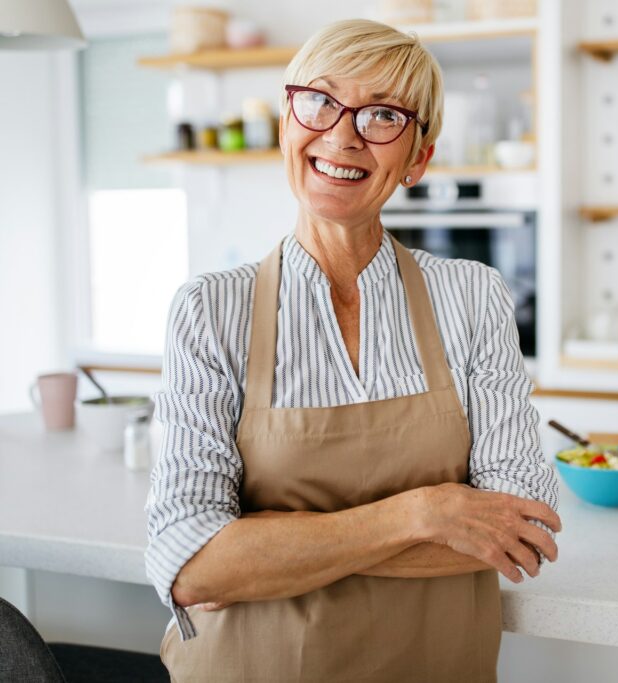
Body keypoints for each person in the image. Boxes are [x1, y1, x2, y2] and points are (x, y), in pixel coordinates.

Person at [145, 19, 560, 683]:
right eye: (319, 101)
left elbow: (521, 531)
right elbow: (193, 565)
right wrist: (426, 512)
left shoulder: (474, 297)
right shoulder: (209, 311)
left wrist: (262, 544)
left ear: (418, 159)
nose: (342, 135)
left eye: (384, 115)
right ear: (288, 123)